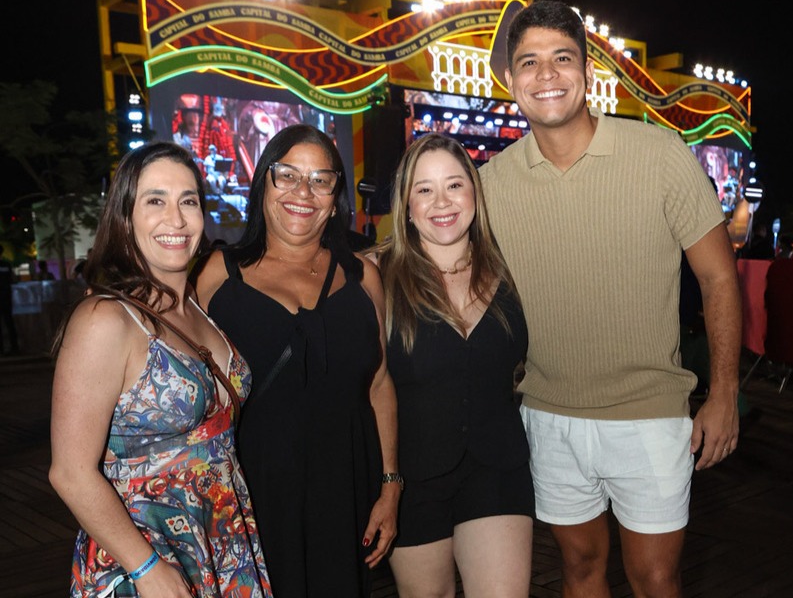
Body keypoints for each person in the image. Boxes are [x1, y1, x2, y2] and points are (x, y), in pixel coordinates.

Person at [478, 0, 741, 597]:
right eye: (529, 62)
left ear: (587, 70)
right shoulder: (490, 185)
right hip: (546, 414)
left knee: (654, 578)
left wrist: (724, 391)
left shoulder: (659, 155)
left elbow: (719, 279)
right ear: (511, 80)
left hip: (648, 416)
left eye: (561, 58)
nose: (546, 75)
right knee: (579, 570)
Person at [48, 142, 272, 597]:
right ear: (125, 217)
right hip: (143, 557)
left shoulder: (194, 307)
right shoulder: (105, 320)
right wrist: (147, 567)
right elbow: (70, 472)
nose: (176, 218)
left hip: (222, 538)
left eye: (188, 200)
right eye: (156, 201)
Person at [193, 124, 400, 597]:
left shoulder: (363, 275)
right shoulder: (217, 274)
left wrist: (390, 487)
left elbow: (380, 383)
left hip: (346, 489)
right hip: (253, 494)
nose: (302, 192)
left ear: (334, 195)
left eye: (320, 180)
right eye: (286, 175)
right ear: (262, 179)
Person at [369, 133, 534, 597]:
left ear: (475, 195)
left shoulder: (509, 268)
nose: (441, 201)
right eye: (424, 189)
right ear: (405, 204)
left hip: (497, 467)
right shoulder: (375, 278)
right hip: (413, 479)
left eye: (455, 185)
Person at [0, 243, 19, 355]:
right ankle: (14, 347)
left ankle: (1, 349)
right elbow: (14, 279)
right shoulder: (6, 265)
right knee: (9, 322)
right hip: (7, 296)